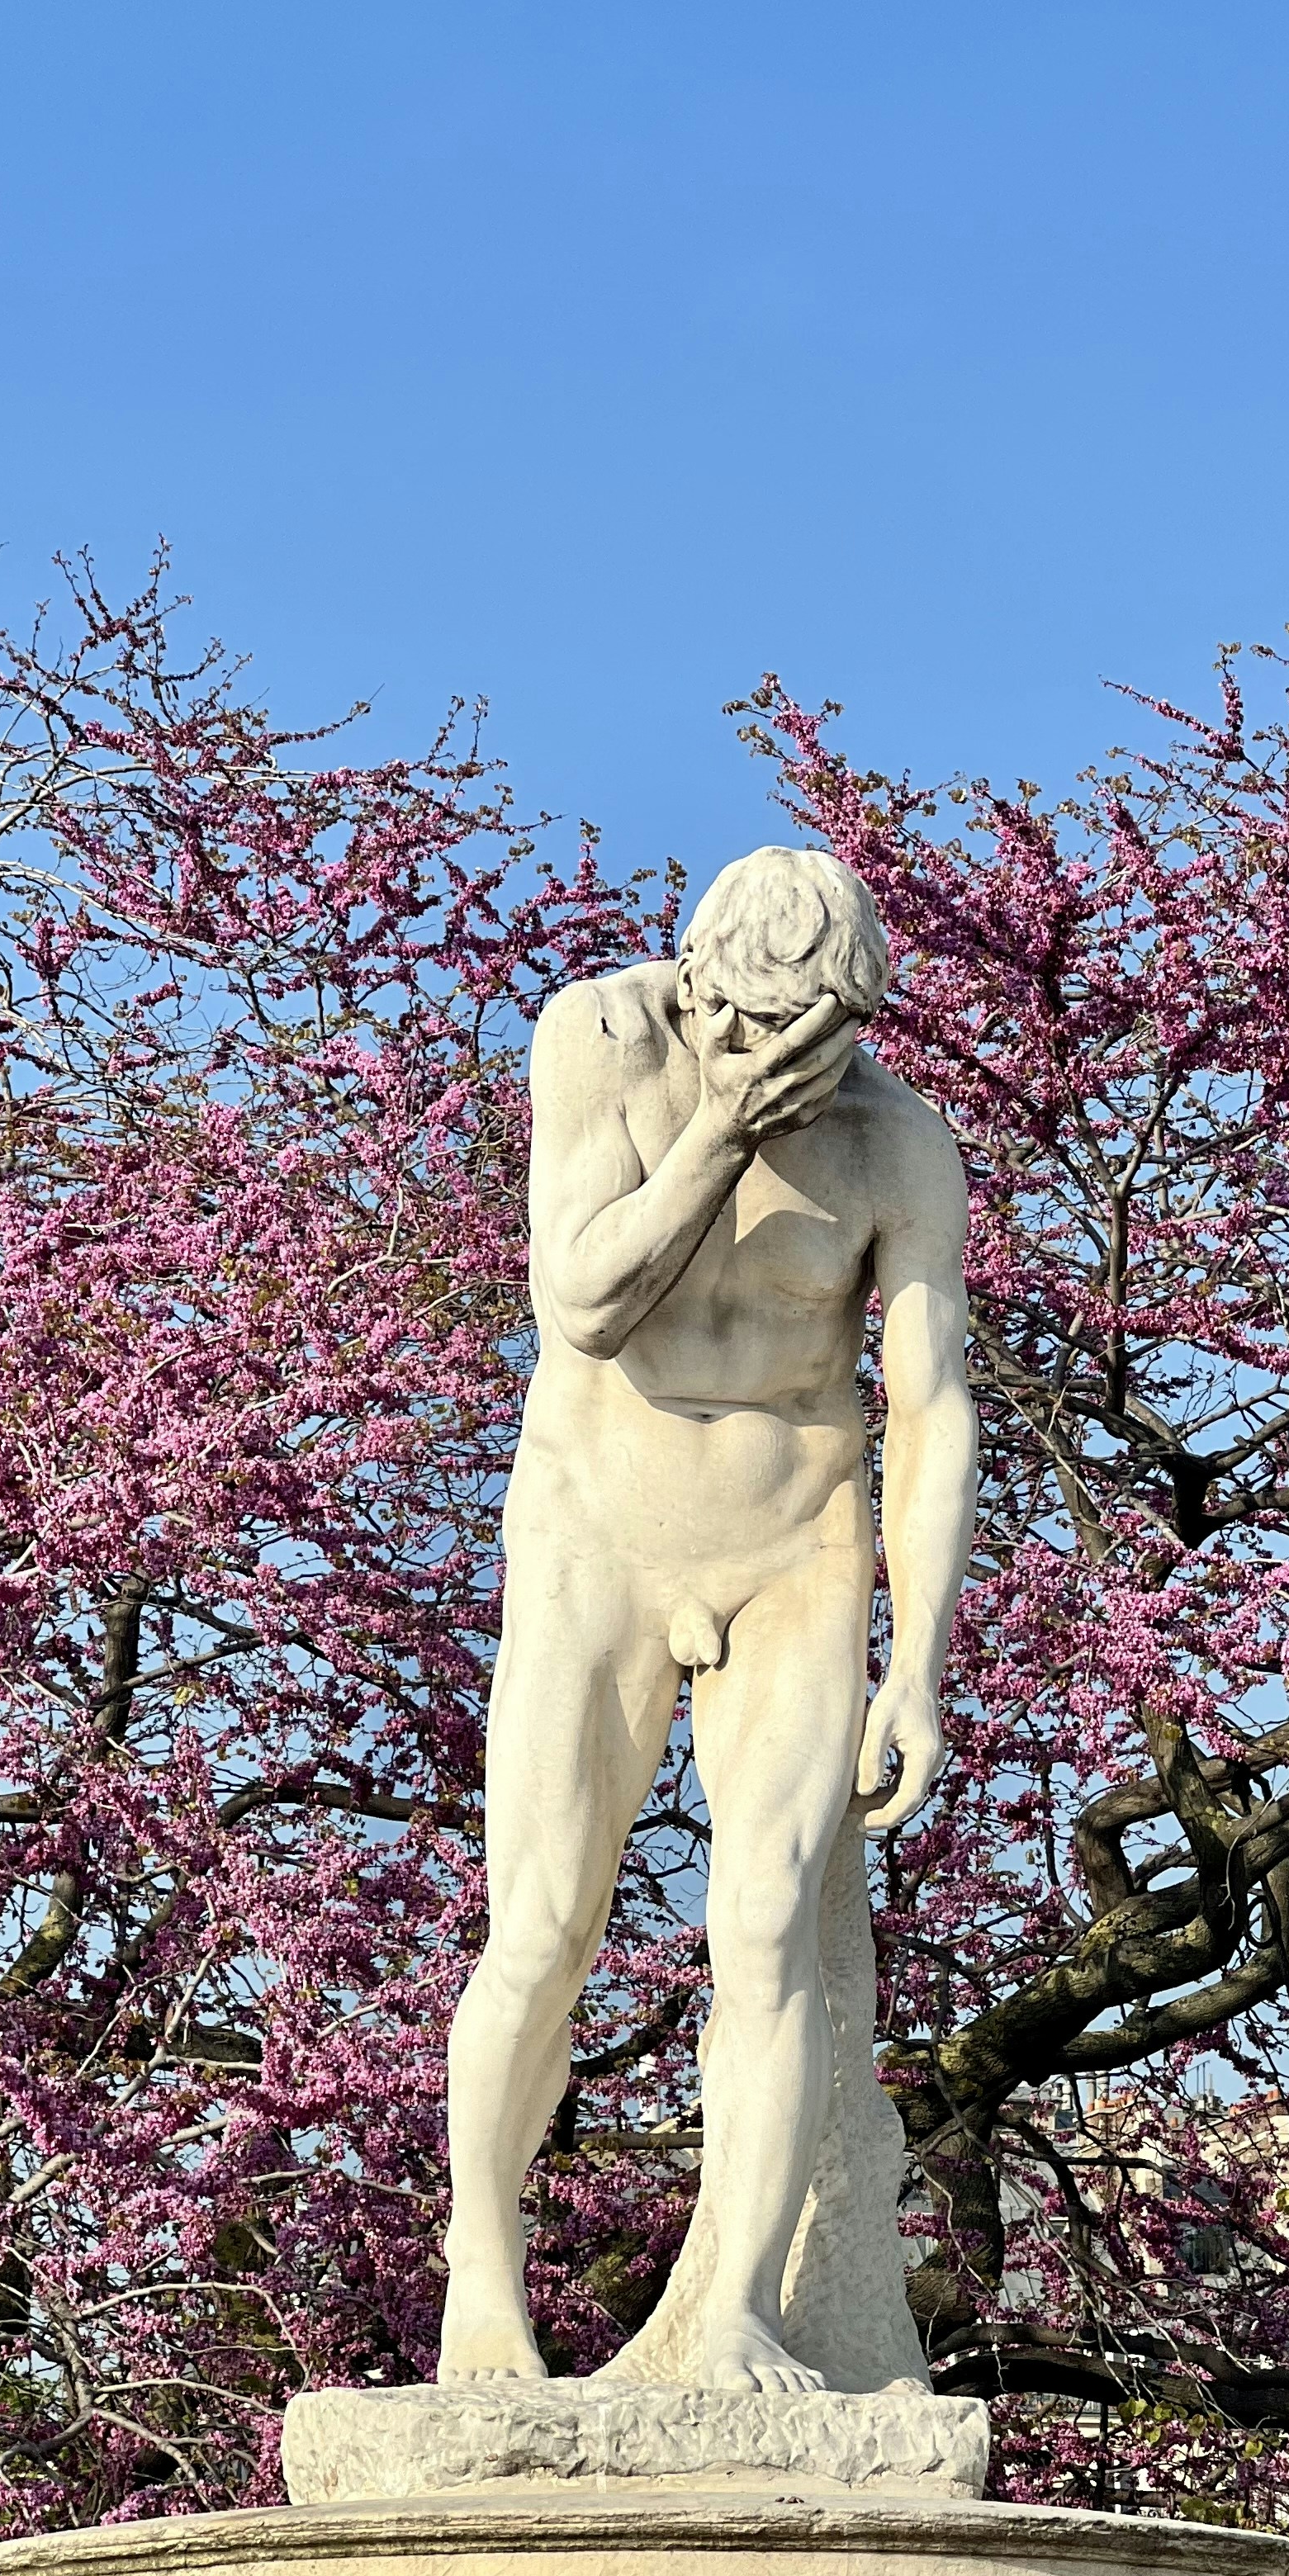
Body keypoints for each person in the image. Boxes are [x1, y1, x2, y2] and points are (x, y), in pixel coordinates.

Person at [438, 845, 978, 2389]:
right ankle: (485, 2279)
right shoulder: (600, 1042)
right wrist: (717, 1139)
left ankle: (734, 2304)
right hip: (596, 1534)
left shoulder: (895, 1146)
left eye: (823, 1048)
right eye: (758, 1040)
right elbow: (586, 1304)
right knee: (542, 1929)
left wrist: (918, 1668)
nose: (790, 1077)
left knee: (765, 1937)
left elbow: (932, 1409)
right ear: (702, 994)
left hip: (796, 1546)